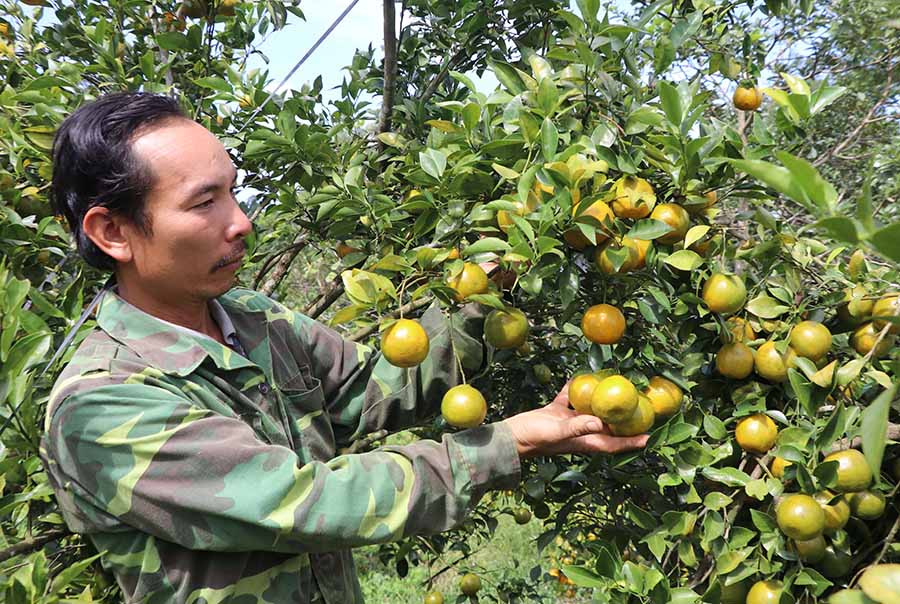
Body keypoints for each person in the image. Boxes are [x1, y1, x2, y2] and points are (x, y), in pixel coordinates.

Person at [41, 91, 648, 604]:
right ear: (112, 232)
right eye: (205, 202)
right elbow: (307, 500)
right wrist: (508, 442)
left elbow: (374, 388)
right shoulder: (104, 403)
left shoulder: (255, 320)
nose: (242, 221)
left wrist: (489, 288)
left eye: (233, 190)